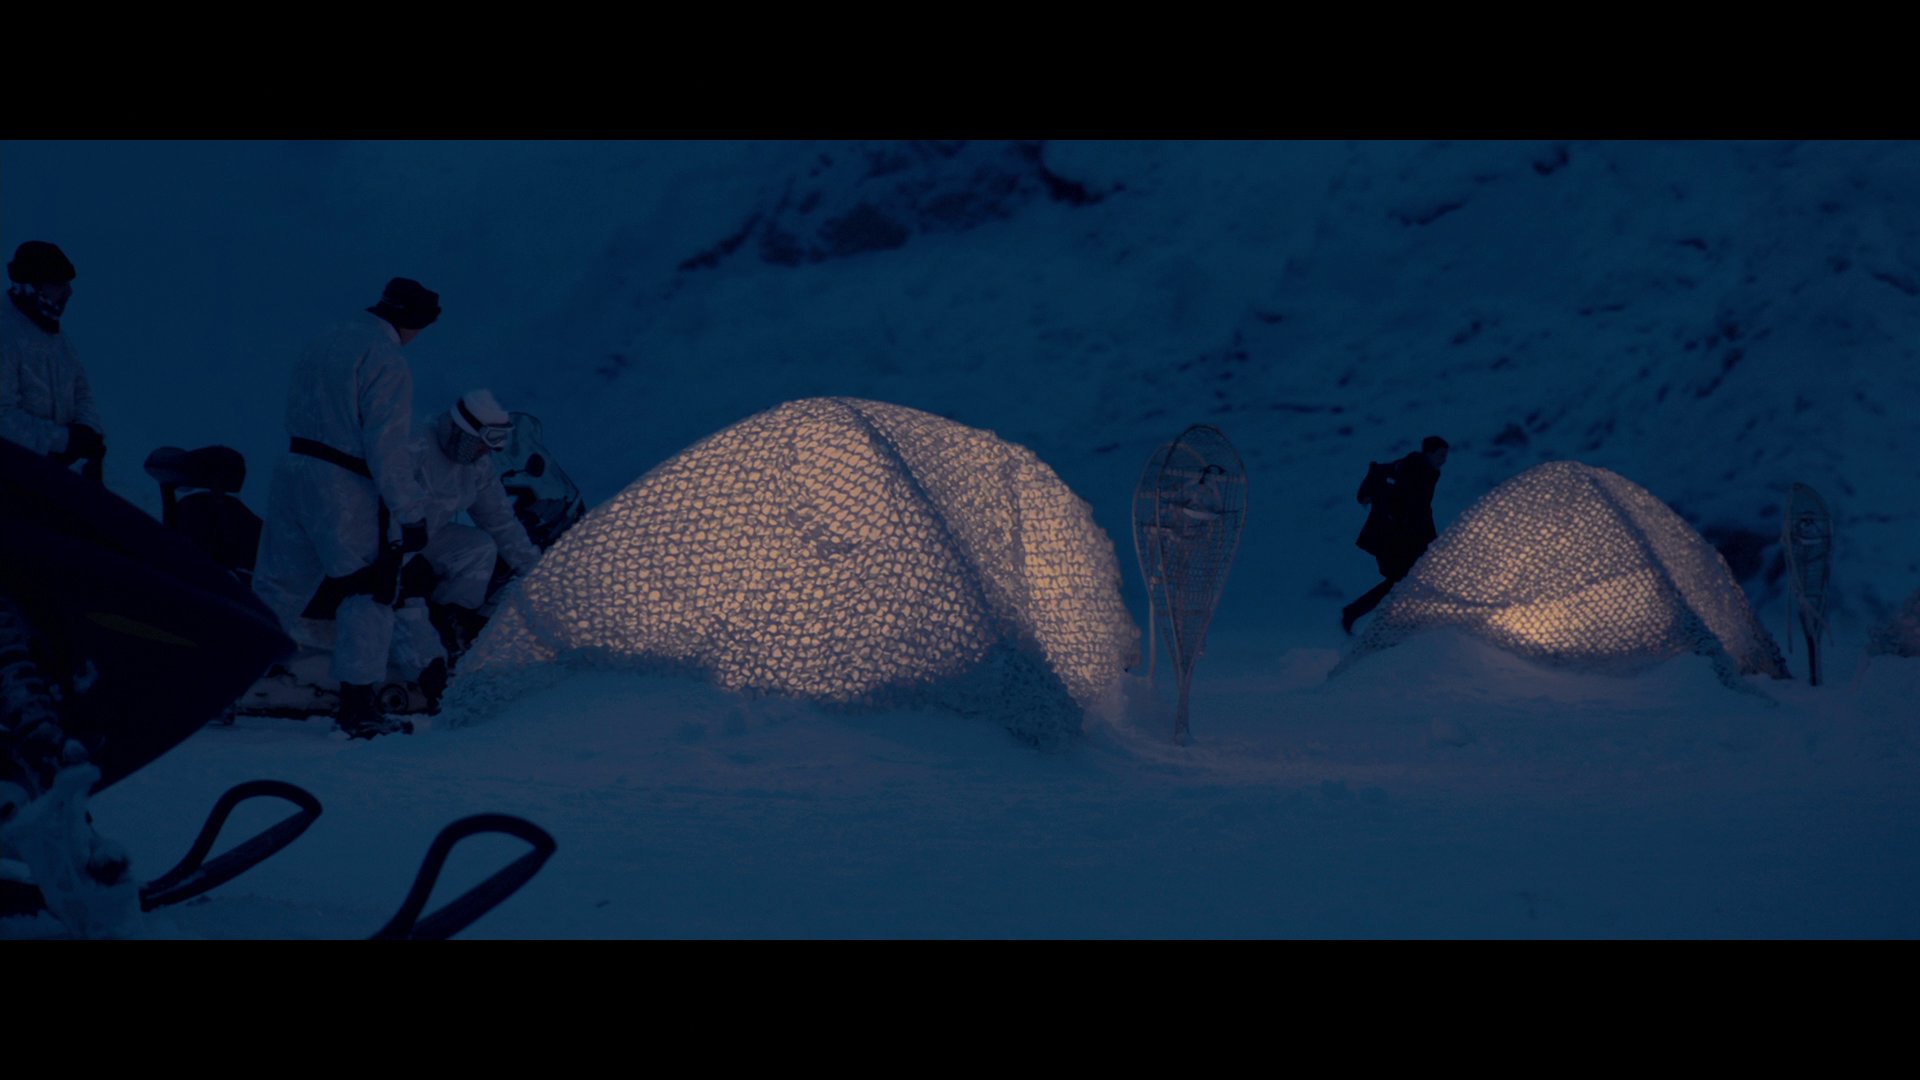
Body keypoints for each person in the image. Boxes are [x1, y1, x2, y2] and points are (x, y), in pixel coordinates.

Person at [251, 278, 440, 738]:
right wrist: (410, 512)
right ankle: (358, 709)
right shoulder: (386, 359)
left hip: (292, 471)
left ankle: (221, 682)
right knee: (371, 589)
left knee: (276, 588)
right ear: (413, 321)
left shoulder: (323, 341)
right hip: (342, 484)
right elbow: (386, 447)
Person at [389, 389, 543, 692]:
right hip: (387, 540)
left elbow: (499, 519)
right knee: (409, 584)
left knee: (479, 547)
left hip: (427, 536)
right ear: (461, 431)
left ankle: (453, 626)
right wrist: (398, 553)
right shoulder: (414, 446)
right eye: (482, 443)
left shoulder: (476, 467)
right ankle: (424, 667)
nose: (486, 452)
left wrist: (535, 570)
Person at [1, 241, 106, 482]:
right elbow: (2, 418)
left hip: (50, 477)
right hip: (11, 481)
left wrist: (87, 431)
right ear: (33, 286)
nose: (69, 291)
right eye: (59, 284)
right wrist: (65, 441)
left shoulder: (55, 336)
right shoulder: (5, 334)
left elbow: (82, 392)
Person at [1342, 435, 1448, 635]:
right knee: (1401, 581)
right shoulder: (1412, 470)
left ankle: (1367, 617)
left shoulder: (1426, 472)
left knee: (1403, 581)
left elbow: (1422, 511)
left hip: (1402, 537)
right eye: (1441, 455)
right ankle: (1362, 616)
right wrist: (1430, 541)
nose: (1444, 460)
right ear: (1429, 453)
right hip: (1392, 537)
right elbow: (1412, 508)